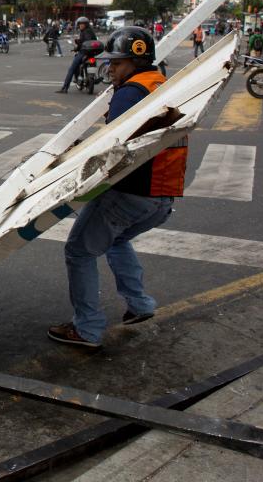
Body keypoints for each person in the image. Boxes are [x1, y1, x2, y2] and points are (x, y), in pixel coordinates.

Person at [47, 27, 186, 348]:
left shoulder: (130, 93)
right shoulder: (162, 83)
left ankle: (87, 329)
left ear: (136, 61)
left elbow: (116, 147)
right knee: (116, 241)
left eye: (117, 63)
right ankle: (140, 304)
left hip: (130, 193)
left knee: (79, 251)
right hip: (162, 196)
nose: (109, 68)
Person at [56, 16, 98, 93]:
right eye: (80, 24)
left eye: (82, 24)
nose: (80, 26)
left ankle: (65, 88)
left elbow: (83, 43)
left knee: (71, 69)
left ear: (86, 24)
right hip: (92, 54)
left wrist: (77, 44)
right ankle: (93, 78)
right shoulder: (91, 31)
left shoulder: (84, 32)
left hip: (84, 53)